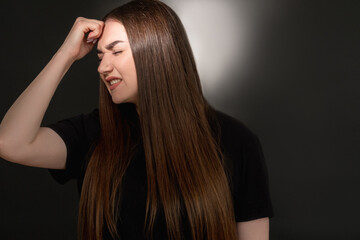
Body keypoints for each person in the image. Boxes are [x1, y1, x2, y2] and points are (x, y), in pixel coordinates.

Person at [0, 0, 273, 239]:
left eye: (116, 51)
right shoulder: (93, 133)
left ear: (158, 52)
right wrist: (66, 54)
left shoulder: (237, 142)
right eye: (101, 54)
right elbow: (10, 142)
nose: (103, 67)